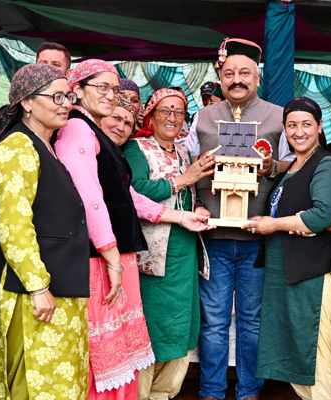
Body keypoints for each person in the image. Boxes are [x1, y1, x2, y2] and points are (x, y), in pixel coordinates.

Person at [55, 60, 211, 399]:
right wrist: (110, 254)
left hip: (129, 252)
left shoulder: (102, 136)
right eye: (102, 88)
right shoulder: (81, 130)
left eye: (115, 89)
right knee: (107, 344)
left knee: (124, 340)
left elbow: (126, 196)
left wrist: (184, 215)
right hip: (107, 255)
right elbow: (92, 197)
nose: (111, 97)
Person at [188, 38, 294, 400]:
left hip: (259, 239)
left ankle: (250, 391)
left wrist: (272, 167)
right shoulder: (202, 117)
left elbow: (296, 165)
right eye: (230, 73)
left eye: (245, 73)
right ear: (220, 78)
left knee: (252, 321)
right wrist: (195, 203)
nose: (237, 79)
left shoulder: (279, 116)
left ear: (257, 77)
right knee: (214, 321)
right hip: (213, 238)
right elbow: (186, 168)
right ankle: (211, 391)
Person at [0, 63, 90, 399]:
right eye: (56, 96)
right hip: (31, 292)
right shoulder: (18, 146)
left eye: (68, 96)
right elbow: (13, 224)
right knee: (32, 385)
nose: (65, 104)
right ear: (26, 102)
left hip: (54, 287)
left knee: (57, 384)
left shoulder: (45, 146)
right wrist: (38, 285)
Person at [242, 97, 331, 400]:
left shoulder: (326, 164)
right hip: (289, 269)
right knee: (297, 350)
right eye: (292, 125)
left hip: (311, 273)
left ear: (320, 126)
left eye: (306, 124)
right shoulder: (296, 165)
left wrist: (273, 224)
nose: (299, 132)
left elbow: (323, 215)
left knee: (313, 352)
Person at [123, 88, 215, 400]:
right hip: (153, 252)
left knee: (182, 322)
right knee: (152, 323)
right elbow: (134, 190)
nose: (172, 117)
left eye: (179, 111)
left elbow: (189, 194)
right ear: (150, 116)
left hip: (185, 248)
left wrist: (199, 205)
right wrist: (182, 180)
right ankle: (141, 393)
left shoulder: (184, 152)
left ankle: (164, 393)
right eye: (165, 110)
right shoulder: (137, 148)